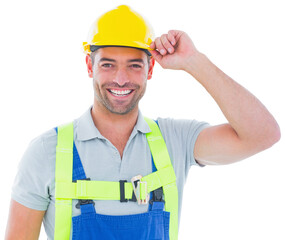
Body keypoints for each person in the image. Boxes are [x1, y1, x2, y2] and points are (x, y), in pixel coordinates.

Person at [5, 5, 280, 240]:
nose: (121, 79)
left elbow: (263, 134)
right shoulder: (46, 151)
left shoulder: (176, 140)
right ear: (90, 66)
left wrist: (194, 61)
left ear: (150, 68)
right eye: (108, 64)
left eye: (134, 65)